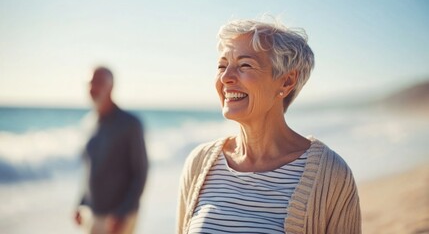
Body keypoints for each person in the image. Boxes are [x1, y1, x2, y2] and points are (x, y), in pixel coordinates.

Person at [177, 19, 361, 234]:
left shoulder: (331, 174)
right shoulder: (200, 163)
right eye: (222, 66)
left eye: (245, 65)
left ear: (286, 81)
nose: (226, 77)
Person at [75, 67, 149, 234]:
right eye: (90, 83)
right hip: (93, 214)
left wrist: (122, 213)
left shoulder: (130, 124)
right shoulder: (88, 123)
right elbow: (89, 170)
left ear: (111, 87)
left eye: (99, 82)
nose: (93, 88)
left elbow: (141, 172)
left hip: (119, 217)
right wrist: (80, 204)